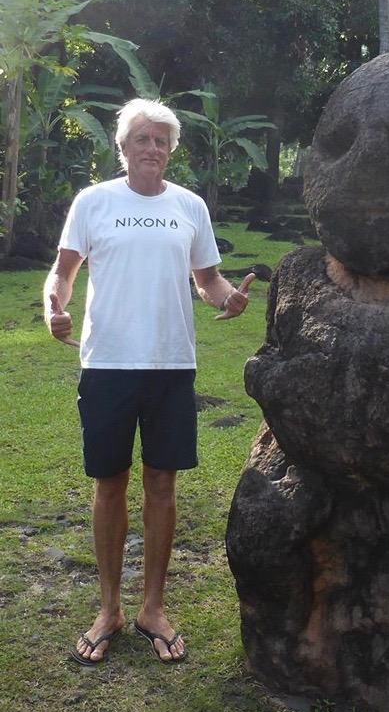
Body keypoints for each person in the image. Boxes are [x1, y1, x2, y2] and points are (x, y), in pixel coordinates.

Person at [44, 98, 255, 665]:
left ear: (170, 150)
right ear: (123, 147)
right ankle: (109, 608)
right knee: (109, 483)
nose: (153, 148)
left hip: (170, 364)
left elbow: (207, 279)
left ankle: (152, 608)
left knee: (163, 483)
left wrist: (226, 298)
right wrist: (53, 306)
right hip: (108, 364)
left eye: (162, 140)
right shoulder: (94, 202)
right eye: (143, 138)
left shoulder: (189, 206)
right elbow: (63, 272)